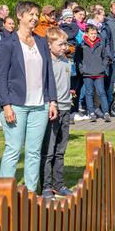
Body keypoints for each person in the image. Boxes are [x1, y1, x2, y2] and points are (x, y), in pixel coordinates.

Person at [0, 0, 58, 192]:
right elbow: (1, 76)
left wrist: (52, 101)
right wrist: (6, 105)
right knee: (13, 149)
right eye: (31, 14)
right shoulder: (7, 43)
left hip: (40, 106)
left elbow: (49, 73)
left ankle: (31, 193)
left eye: (36, 14)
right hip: (16, 105)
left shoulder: (41, 41)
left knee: (34, 151)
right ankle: (4, 194)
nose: (35, 18)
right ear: (20, 16)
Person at [40, 27, 74, 199]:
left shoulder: (67, 62)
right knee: (48, 150)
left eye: (65, 44)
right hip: (52, 110)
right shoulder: (45, 64)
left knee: (61, 149)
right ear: (49, 44)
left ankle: (59, 184)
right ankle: (46, 186)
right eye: (60, 44)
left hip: (66, 109)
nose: (64, 47)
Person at [75, 20, 111, 122]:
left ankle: (106, 113)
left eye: (95, 33)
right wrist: (82, 69)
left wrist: (103, 67)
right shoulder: (81, 46)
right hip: (87, 74)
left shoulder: (100, 46)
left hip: (99, 73)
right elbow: (77, 59)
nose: (94, 35)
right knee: (89, 93)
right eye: (92, 33)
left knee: (101, 93)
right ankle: (91, 112)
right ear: (86, 34)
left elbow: (106, 57)